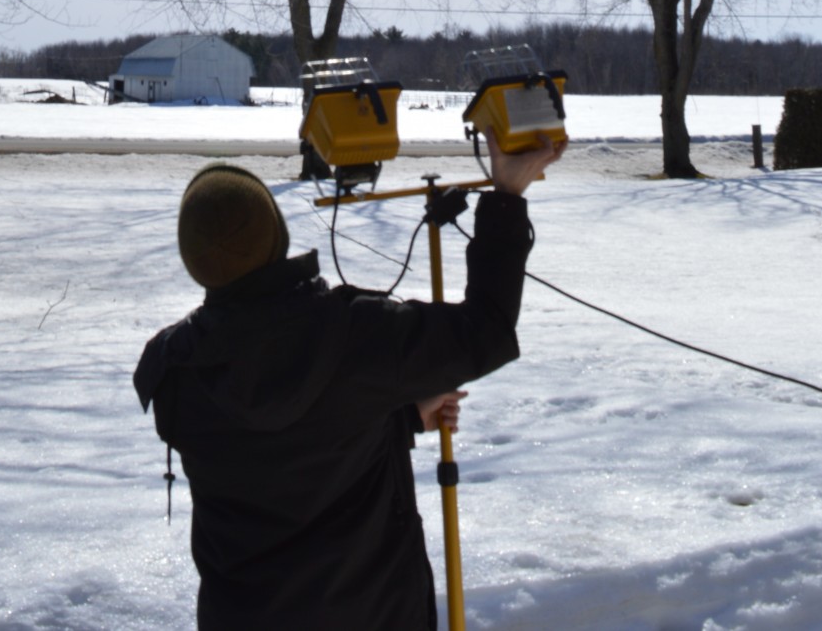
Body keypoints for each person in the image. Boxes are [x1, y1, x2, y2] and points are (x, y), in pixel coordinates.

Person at [134, 131, 563, 630]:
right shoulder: (353, 334)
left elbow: (273, 455)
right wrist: (506, 198)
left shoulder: (175, 373)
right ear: (275, 238)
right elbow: (484, 331)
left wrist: (401, 417)